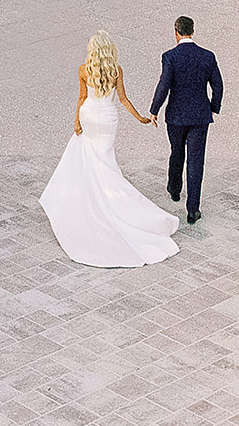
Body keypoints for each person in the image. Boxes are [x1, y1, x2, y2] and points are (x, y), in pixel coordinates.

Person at [40, 32, 179, 267]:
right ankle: (112, 200)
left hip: (89, 116)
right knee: (106, 162)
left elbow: (82, 98)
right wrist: (140, 118)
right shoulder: (117, 70)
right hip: (107, 119)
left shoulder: (84, 70)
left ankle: (90, 198)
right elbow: (123, 99)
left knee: (88, 158)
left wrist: (76, 121)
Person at [150, 15, 223, 225]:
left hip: (175, 115)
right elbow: (218, 85)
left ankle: (174, 190)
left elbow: (164, 85)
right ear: (193, 31)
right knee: (195, 161)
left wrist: (154, 109)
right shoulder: (207, 56)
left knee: (176, 152)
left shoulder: (170, 56)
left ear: (176, 32)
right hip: (200, 116)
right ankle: (193, 210)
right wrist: (213, 107)